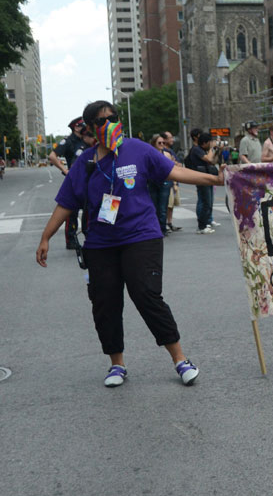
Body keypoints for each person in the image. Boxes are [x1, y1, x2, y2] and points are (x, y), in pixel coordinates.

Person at [36, 101, 223, 388]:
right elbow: (65, 203)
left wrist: (215, 179)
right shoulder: (85, 162)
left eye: (113, 118)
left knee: (147, 294)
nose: (109, 124)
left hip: (141, 236)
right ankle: (116, 364)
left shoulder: (138, 149)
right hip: (101, 243)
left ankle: (180, 359)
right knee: (105, 302)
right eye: (102, 121)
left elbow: (176, 172)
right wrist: (46, 237)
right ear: (90, 128)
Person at [49, 117, 97, 249]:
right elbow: (52, 156)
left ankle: (90, 234)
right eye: (82, 125)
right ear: (76, 127)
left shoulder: (86, 139)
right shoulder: (69, 141)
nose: (85, 128)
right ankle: (71, 239)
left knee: (90, 208)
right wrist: (65, 170)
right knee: (71, 210)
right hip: (75, 179)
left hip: (90, 178)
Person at [185, 132, 219, 234]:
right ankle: (201, 226)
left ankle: (206, 223)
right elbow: (208, 159)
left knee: (209, 202)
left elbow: (213, 161)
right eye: (210, 142)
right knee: (205, 202)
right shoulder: (197, 150)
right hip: (201, 178)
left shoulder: (204, 150)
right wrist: (212, 149)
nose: (211, 144)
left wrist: (217, 150)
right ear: (204, 142)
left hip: (207, 177)